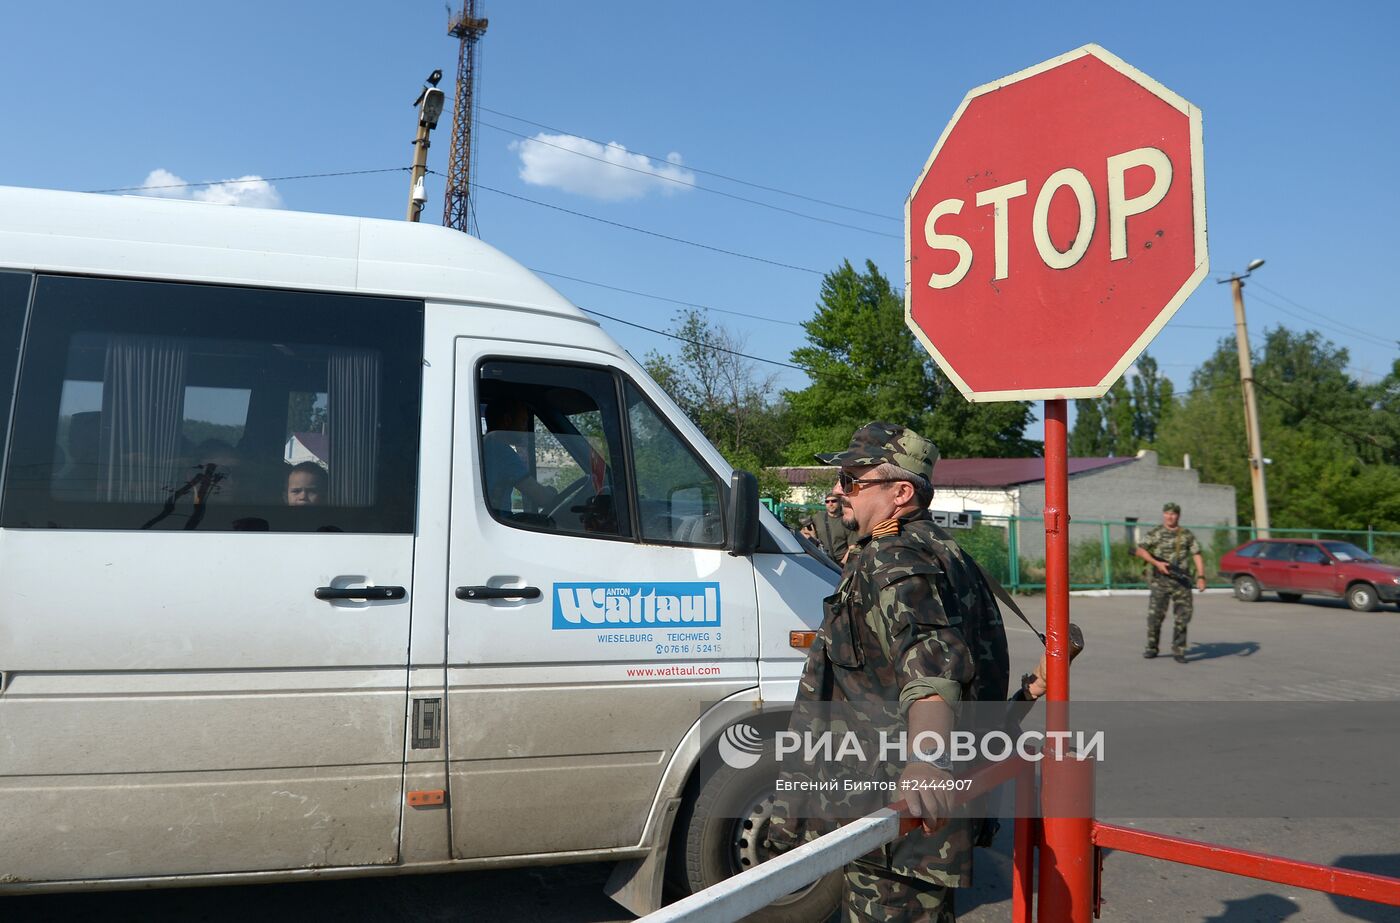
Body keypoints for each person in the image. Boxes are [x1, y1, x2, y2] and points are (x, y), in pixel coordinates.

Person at [770, 422, 1010, 923]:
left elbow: (933, 664)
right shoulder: (939, 549)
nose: (838, 490)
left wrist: (926, 760)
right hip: (913, 812)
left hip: (895, 810)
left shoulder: (894, 559)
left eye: (853, 480)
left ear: (901, 492)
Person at [1133, 501, 1207, 663]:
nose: (1169, 517)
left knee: (1183, 617)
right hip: (1161, 581)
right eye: (1167, 513)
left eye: (1173, 514)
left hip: (1182, 582)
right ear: (1163, 515)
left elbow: (1197, 554)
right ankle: (1152, 647)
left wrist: (1201, 577)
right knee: (1154, 617)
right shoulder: (1156, 533)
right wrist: (1157, 564)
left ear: (1178, 516)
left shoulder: (1186, 534)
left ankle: (1179, 650)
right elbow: (1140, 550)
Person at [481, 398, 557, 515]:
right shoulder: (502, 452)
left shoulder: (484, 446)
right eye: (523, 421)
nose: (526, 429)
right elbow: (542, 498)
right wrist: (552, 492)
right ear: (507, 420)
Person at [812, 491, 858, 563]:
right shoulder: (818, 517)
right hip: (822, 559)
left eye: (833, 501)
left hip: (842, 561)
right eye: (827, 502)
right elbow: (805, 532)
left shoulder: (846, 520)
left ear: (840, 503)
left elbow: (852, 547)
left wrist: (842, 564)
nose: (830, 504)